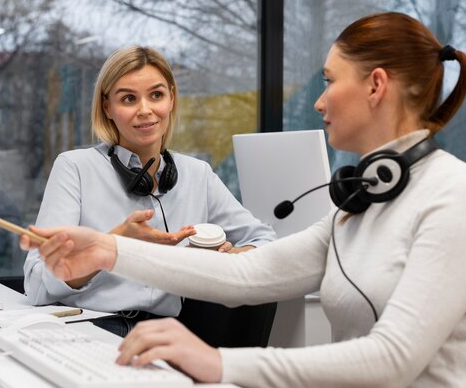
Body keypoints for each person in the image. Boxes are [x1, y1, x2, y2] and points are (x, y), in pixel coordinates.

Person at [21, 12, 466, 388]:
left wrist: (216, 362)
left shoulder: (459, 196)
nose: (319, 101)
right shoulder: (360, 204)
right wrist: (109, 250)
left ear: (375, 86)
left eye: (328, 80)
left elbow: (393, 358)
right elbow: (249, 275)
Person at [23, 46, 276, 337]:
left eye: (156, 95)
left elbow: (264, 240)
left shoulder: (197, 174)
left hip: (169, 333)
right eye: (129, 98)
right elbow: (36, 283)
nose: (145, 110)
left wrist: (231, 257)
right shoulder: (75, 168)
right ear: (107, 108)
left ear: (171, 99)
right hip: (92, 328)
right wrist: (112, 246)